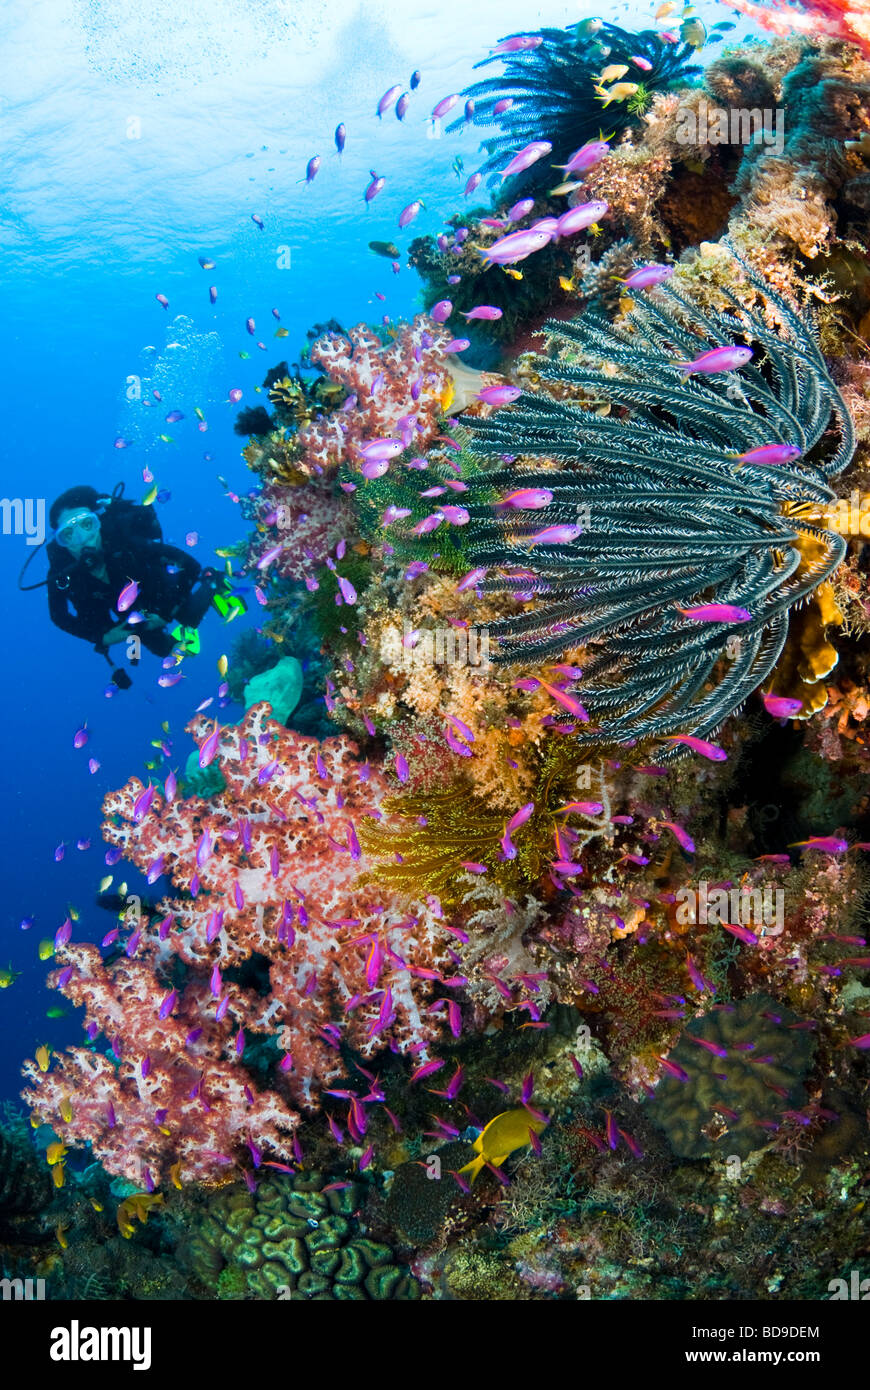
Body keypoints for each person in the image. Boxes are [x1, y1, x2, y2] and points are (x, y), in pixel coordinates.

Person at [42, 485, 244, 688]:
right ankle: (183, 640)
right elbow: (59, 616)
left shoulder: (126, 543)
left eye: (87, 524)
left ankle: (212, 580)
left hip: (160, 591)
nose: (82, 539)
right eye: (68, 534)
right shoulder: (61, 574)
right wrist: (101, 636)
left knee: (188, 617)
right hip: (130, 614)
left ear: (99, 522)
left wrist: (165, 614)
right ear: (60, 542)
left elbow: (189, 564)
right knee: (163, 650)